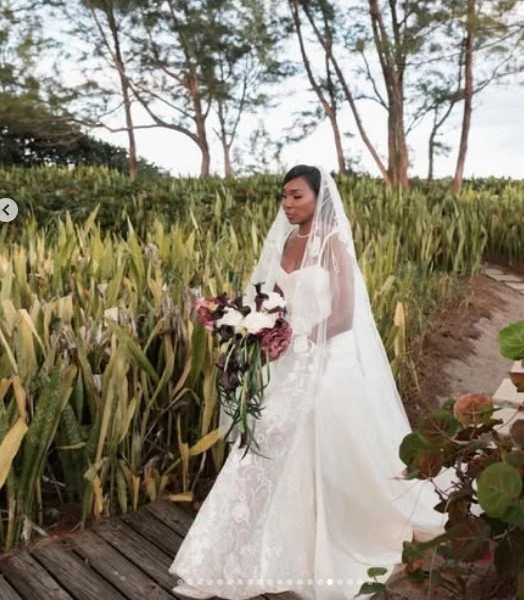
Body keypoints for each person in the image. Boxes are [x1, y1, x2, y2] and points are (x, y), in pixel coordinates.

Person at [169, 165, 449, 600]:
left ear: (319, 197)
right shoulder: (283, 241)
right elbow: (267, 301)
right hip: (283, 361)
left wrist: (294, 338)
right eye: (284, 197)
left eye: (297, 195)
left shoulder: (334, 243)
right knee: (263, 442)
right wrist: (240, 321)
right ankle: (235, 548)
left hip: (325, 359)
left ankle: (328, 535)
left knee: (316, 438)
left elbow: (345, 315)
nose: (288, 204)